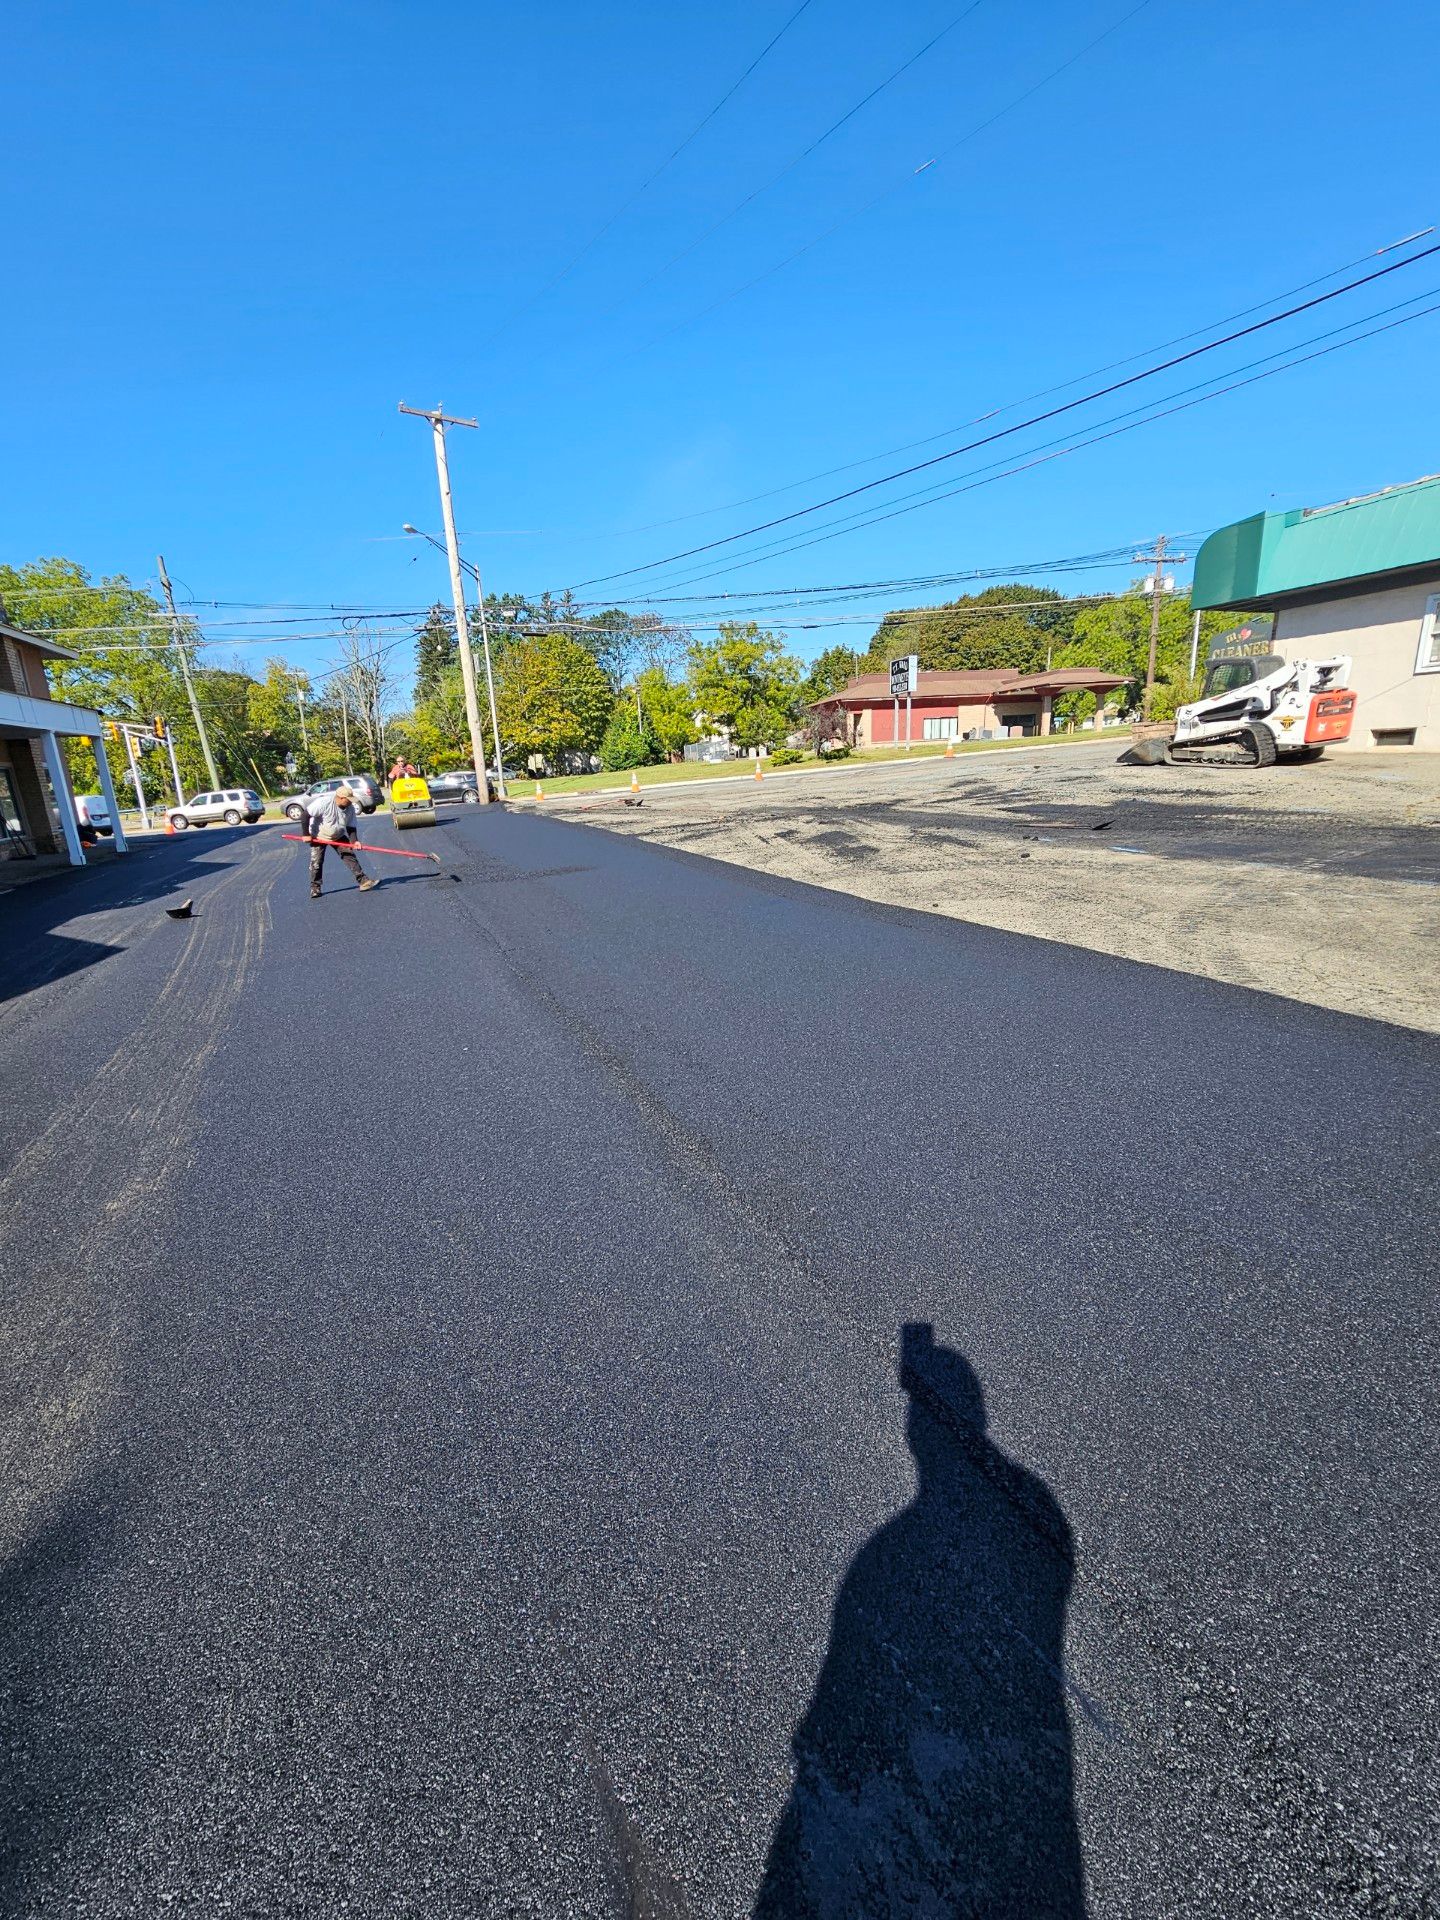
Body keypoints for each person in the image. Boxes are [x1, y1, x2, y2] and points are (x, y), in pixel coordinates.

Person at [306, 785, 376, 899]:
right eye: (349, 799)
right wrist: (305, 835)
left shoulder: (350, 808)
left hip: (338, 835)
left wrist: (355, 841)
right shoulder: (323, 802)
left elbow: (351, 826)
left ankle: (363, 881)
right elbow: (305, 815)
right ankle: (315, 888)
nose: (351, 802)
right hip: (318, 835)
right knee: (316, 862)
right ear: (341, 798)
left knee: (349, 855)